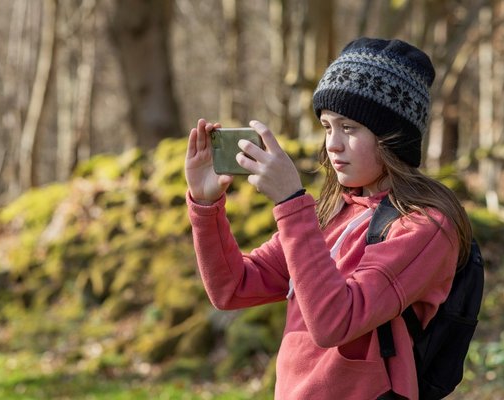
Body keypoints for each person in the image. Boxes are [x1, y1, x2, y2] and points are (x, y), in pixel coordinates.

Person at [184, 37, 472, 400]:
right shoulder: (330, 215)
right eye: (327, 126)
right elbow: (232, 288)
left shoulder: (424, 227)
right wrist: (205, 205)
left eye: (349, 128)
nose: (333, 144)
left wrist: (291, 202)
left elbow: (335, 323)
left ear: (392, 137)